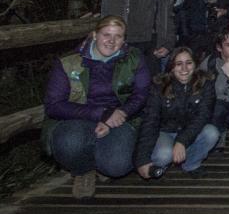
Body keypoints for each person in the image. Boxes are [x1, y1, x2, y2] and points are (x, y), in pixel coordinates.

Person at [42, 16, 152, 198]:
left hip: (118, 118)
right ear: (94, 35)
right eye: (106, 35)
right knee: (68, 143)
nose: (111, 41)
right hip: (77, 118)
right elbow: (54, 105)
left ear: (124, 39)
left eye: (118, 36)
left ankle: (101, 162)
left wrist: (121, 113)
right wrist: (101, 114)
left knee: (118, 166)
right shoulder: (68, 62)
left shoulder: (135, 59)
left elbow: (141, 95)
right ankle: (84, 170)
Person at [134, 47, 219, 179]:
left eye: (189, 63)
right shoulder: (159, 85)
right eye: (179, 64)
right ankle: (163, 162)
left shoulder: (206, 83)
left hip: (190, 131)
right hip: (165, 131)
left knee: (212, 132)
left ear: (195, 64)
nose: (184, 68)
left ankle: (191, 163)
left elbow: (203, 116)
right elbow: (150, 120)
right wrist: (142, 160)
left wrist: (182, 141)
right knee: (164, 155)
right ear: (172, 67)